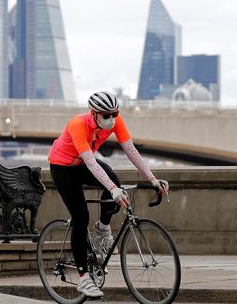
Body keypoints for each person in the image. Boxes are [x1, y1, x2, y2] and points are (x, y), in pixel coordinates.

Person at [48, 90, 169, 298]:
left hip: (82, 164)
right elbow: (91, 162)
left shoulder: (116, 121)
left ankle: (103, 228)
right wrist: (112, 190)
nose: (111, 119)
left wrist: (152, 179)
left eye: (114, 113)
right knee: (80, 217)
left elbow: (131, 151)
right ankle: (83, 278)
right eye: (106, 115)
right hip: (63, 167)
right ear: (94, 113)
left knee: (113, 177)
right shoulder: (77, 124)